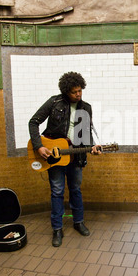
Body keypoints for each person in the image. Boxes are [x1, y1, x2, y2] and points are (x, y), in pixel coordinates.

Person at [29, 72, 102, 247]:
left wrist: (92, 147)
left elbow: (86, 134)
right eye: (74, 92)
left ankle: (78, 222)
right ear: (65, 91)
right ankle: (57, 229)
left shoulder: (86, 108)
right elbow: (33, 122)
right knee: (57, 191)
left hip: (76, 156)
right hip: (55, 156)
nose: (78, 94)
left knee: (75, 189)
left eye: (80, 91)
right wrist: (39, 146)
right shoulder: (54, 102)